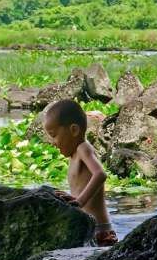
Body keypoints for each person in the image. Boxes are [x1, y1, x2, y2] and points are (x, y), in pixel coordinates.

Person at [43, 99, 117, 247]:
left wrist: (80, 201)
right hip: (88, 229)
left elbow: (100, 174)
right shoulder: (73, 156)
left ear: (74, 130)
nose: (53, 142)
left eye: (54, 135)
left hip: (100, 231)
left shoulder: (83, 148)